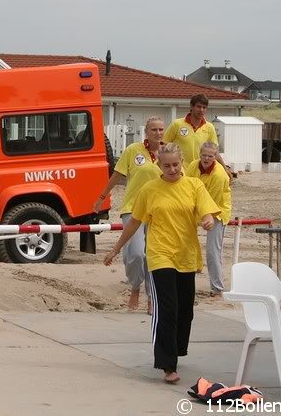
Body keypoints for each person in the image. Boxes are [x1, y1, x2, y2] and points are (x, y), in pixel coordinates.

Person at [103, 143, 220, 385]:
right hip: (159, 255)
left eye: (176, 164)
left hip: (186, 255)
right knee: (167, 309)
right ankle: (167, 364)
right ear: (158, 164)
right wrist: (116, 248)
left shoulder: (193, 185)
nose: (172, 169)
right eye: (166, 165)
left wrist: (208, 220)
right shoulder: (150, 189)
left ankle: (175, 349)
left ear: (182, 162)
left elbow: (206, 211)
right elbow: (134, 222)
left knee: (185, 311)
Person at [94, 116, 165, 313]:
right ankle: (135, 286)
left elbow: (179, 176)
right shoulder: (133, 150)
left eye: (161, 130)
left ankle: (152, 298)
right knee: (135, 254)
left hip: (158, 210)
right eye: (154, 130)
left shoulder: (167, 152)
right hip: (132, 208)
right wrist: (101, 197)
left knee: (153, 257)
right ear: (146, 132)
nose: (158, 133)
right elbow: (117, 175)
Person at [185, 142, 232, 297]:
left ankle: (217, 289)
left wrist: (206, 219)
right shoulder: (193, 166)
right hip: (194, 208)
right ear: (200, 154)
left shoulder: (219, 175)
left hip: (216, 211)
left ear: (216, 157)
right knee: (184, 245)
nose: (206, 158)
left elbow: (211, 201)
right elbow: (186, 187)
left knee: (212, 251)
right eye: (204, 155)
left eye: (210, 156)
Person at [163, 94, 234, 180]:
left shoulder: (209, 127)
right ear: (191, 106)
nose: (201, 110)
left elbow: (215, 153)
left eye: (204, 107)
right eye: (198, 106)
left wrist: (225, 169)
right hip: (180, 173)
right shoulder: (177, 124)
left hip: (200, 174)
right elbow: (163, 146)